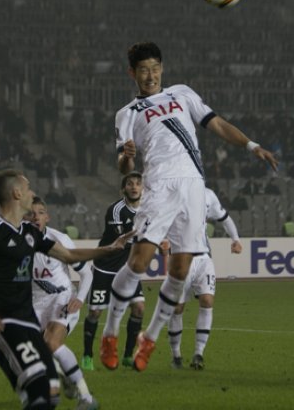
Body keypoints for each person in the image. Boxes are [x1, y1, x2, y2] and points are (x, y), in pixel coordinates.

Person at [101, 41, 278, 372]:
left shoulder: (182, 93)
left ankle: (149, 338)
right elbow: (125, 168)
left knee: (180, 271)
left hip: (194, 187)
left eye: (155, 68)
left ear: (162, 69)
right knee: (139, 263)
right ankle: (110, 333)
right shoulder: (127, 114)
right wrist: (127, 156)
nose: (150, 75)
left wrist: (251, 145)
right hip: (160, 186)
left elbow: (218, 124)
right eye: (143, 70)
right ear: (132, 73)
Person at [0, 169, 131, 409]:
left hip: (31, 324)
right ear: (16, 193)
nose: (32, 192)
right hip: (7, 326)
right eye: (28, 188)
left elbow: (68, 255)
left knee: (51, 394)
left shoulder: (30, 233)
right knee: (39, 394)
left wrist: (108, 249)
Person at [26, 197, 98, 410]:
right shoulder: (19, 243)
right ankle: (64, 376)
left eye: (40, 212)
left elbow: (86, 273)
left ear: (47, 217)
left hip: (62, 298)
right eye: (31, 213)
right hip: (36, 303)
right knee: (33, 353)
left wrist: (80, 299)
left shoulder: (60, 240)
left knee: (52, 343)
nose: (36, 216)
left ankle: (86, 397)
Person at [168, 187, 241, 371]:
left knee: (207, 301)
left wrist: (235, 238)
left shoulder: (208, 194)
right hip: (180, 257)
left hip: (203, 258)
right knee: (177, 308)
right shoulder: (171, 193)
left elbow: (224, 217)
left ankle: (199, 353)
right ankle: (176, 354)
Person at [82, 171, 145, 371]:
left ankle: (127, 355)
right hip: (105, 267)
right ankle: (87, 355)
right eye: (130, 183)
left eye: (138, 183)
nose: (134, 187)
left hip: (128, 270)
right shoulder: (116, 210)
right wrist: (153, 238)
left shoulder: (148, 209)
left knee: (139, 308)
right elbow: (121, 241)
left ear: (143, 188)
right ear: (123, 189)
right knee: (95, 312)